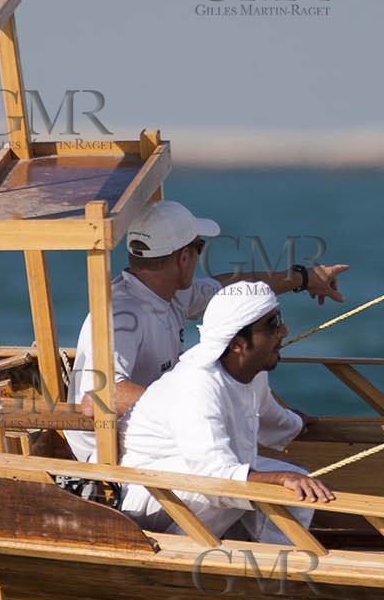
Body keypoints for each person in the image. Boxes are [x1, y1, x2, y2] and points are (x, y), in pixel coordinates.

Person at [64, 200, 350, 461]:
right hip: (110, 453)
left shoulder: (167, 292)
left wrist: (303, 278)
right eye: (199, 247)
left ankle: (280, 425)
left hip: (155, 431)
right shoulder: (123, 315)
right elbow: (99, 397)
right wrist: (203, 410)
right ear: (184, 257)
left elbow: (233, 290)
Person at [117, 282, 335, 543]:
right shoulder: (196, 386)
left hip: (192, 479)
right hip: (147, 490)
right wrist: (280, 478)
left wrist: (298, 423)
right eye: (272, 324)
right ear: (237, 343)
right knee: (234, 489)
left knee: (300, 488)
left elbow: (270, 417)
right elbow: (214, 476)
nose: (284, 331)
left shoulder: (250, 372)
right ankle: (184, 553)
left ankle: (279, 558)